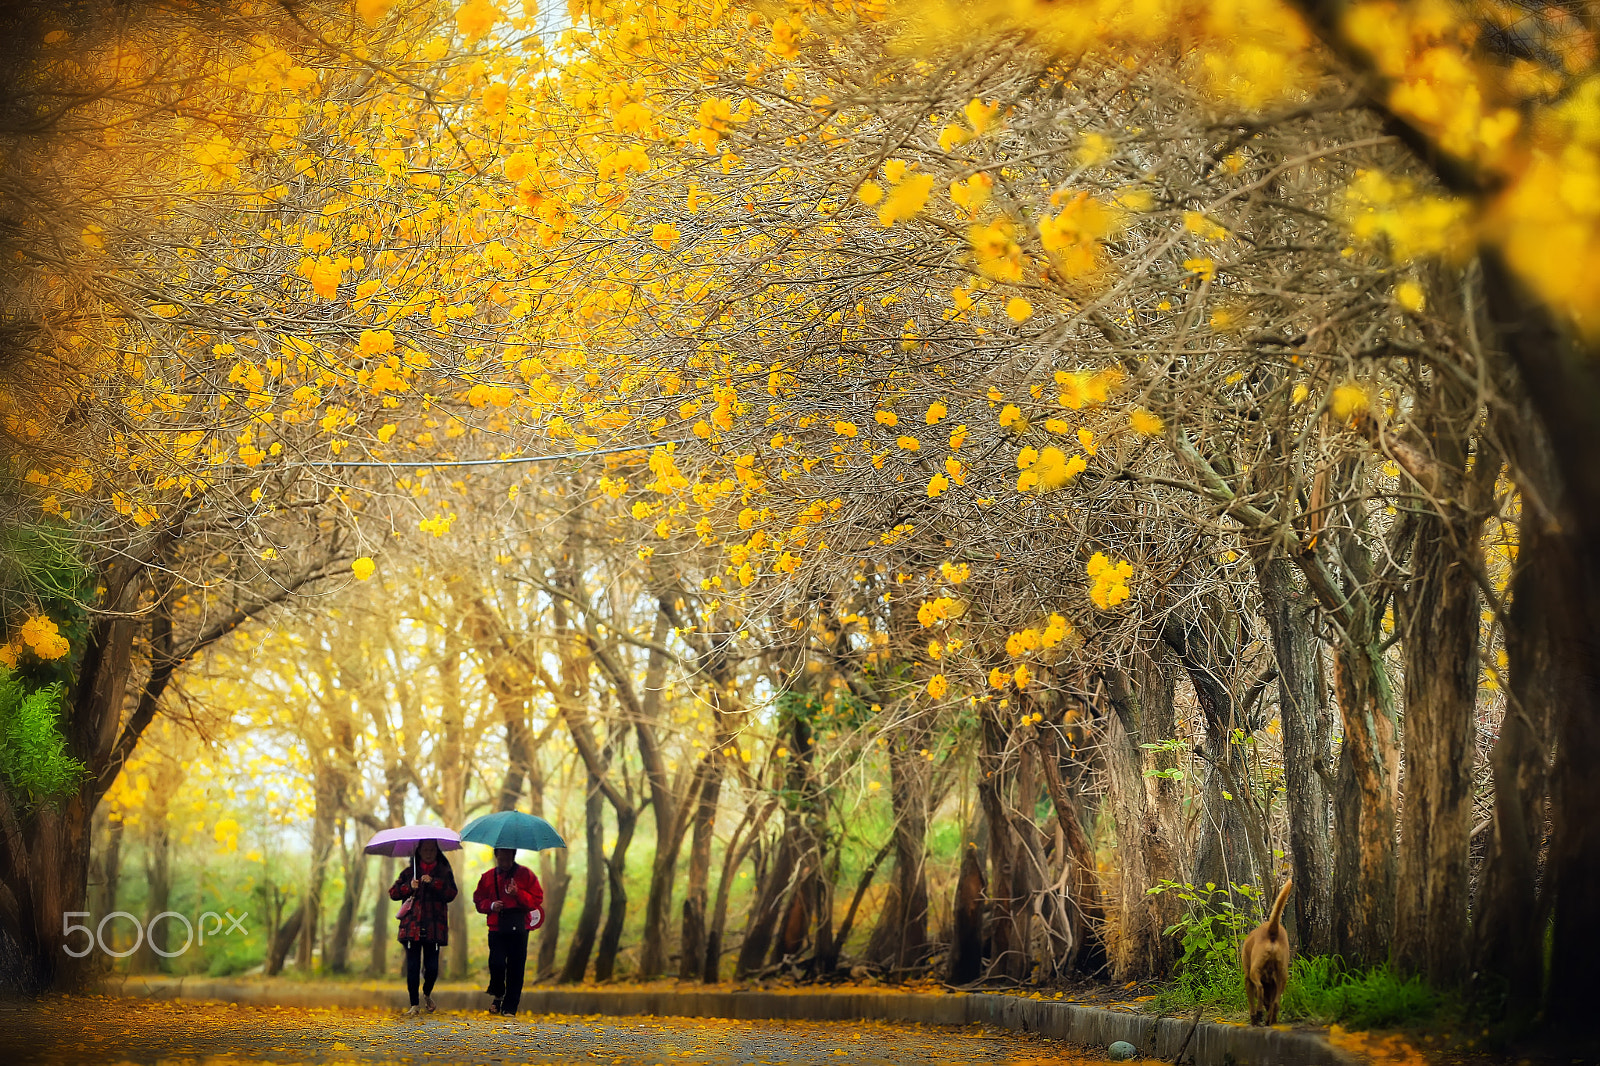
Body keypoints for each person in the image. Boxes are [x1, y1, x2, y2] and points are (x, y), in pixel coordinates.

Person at [389, 838, 458, 1016]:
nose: (428, 852)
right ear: (418, 851)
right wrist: (408, 887)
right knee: (412, 967)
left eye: (432, 850)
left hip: (435, 928)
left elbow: (451, 893)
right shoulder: (408, 872)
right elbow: (393, 893)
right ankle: (414, 1004)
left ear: (437, 851)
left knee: (432, 967)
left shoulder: (444, 872)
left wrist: (433, 882)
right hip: (411, 927)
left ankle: (427, 993)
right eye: (425, 849)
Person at [473, 846, 543, 1016]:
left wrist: (518, 894)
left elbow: (536, 900)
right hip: (496, 927)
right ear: (496, 855)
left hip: (519, 926)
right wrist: (491, 905)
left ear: (513, 855)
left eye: (507, 857)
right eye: (500, 858)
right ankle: (498, 993)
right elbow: (478, 900)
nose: (504, 861)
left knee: (516, 967)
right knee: (496, 963)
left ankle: (510, 1007)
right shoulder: (487, 877)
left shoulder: (526, 875)